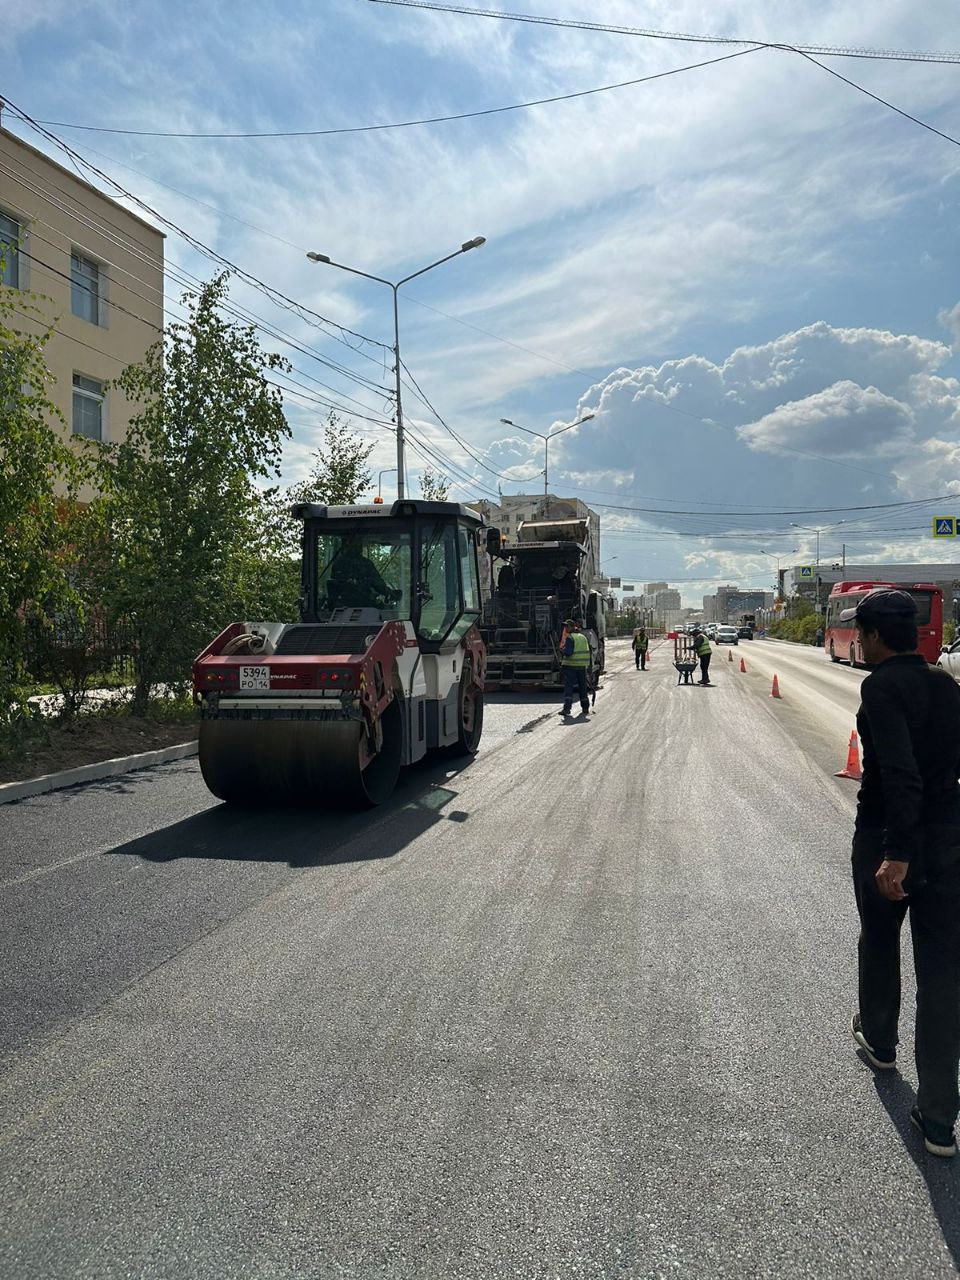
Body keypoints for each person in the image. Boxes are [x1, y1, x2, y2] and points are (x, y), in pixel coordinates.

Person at [845, 588, 960, 1158]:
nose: (858, 643)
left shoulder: (881, 687)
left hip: (893, 844)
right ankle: (939, 1116)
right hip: (949, 846)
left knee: (881, 939)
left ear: (871, 637)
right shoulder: (947, 685)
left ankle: (881, 1039)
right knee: (943, 975)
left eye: (860, 635)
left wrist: (897, 853)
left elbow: (898, 774)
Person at [559, 617, 591, 717]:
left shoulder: (570, 638)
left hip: (571, 666)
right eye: (565, 626)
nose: (565, 628)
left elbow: (569, 653)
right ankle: (585, 708)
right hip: (582, 666)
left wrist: (562, 650)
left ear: (572, 627)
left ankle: (567, 709)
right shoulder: (582, 637)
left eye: (567, 626)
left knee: (569, 688)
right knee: (583, 687)